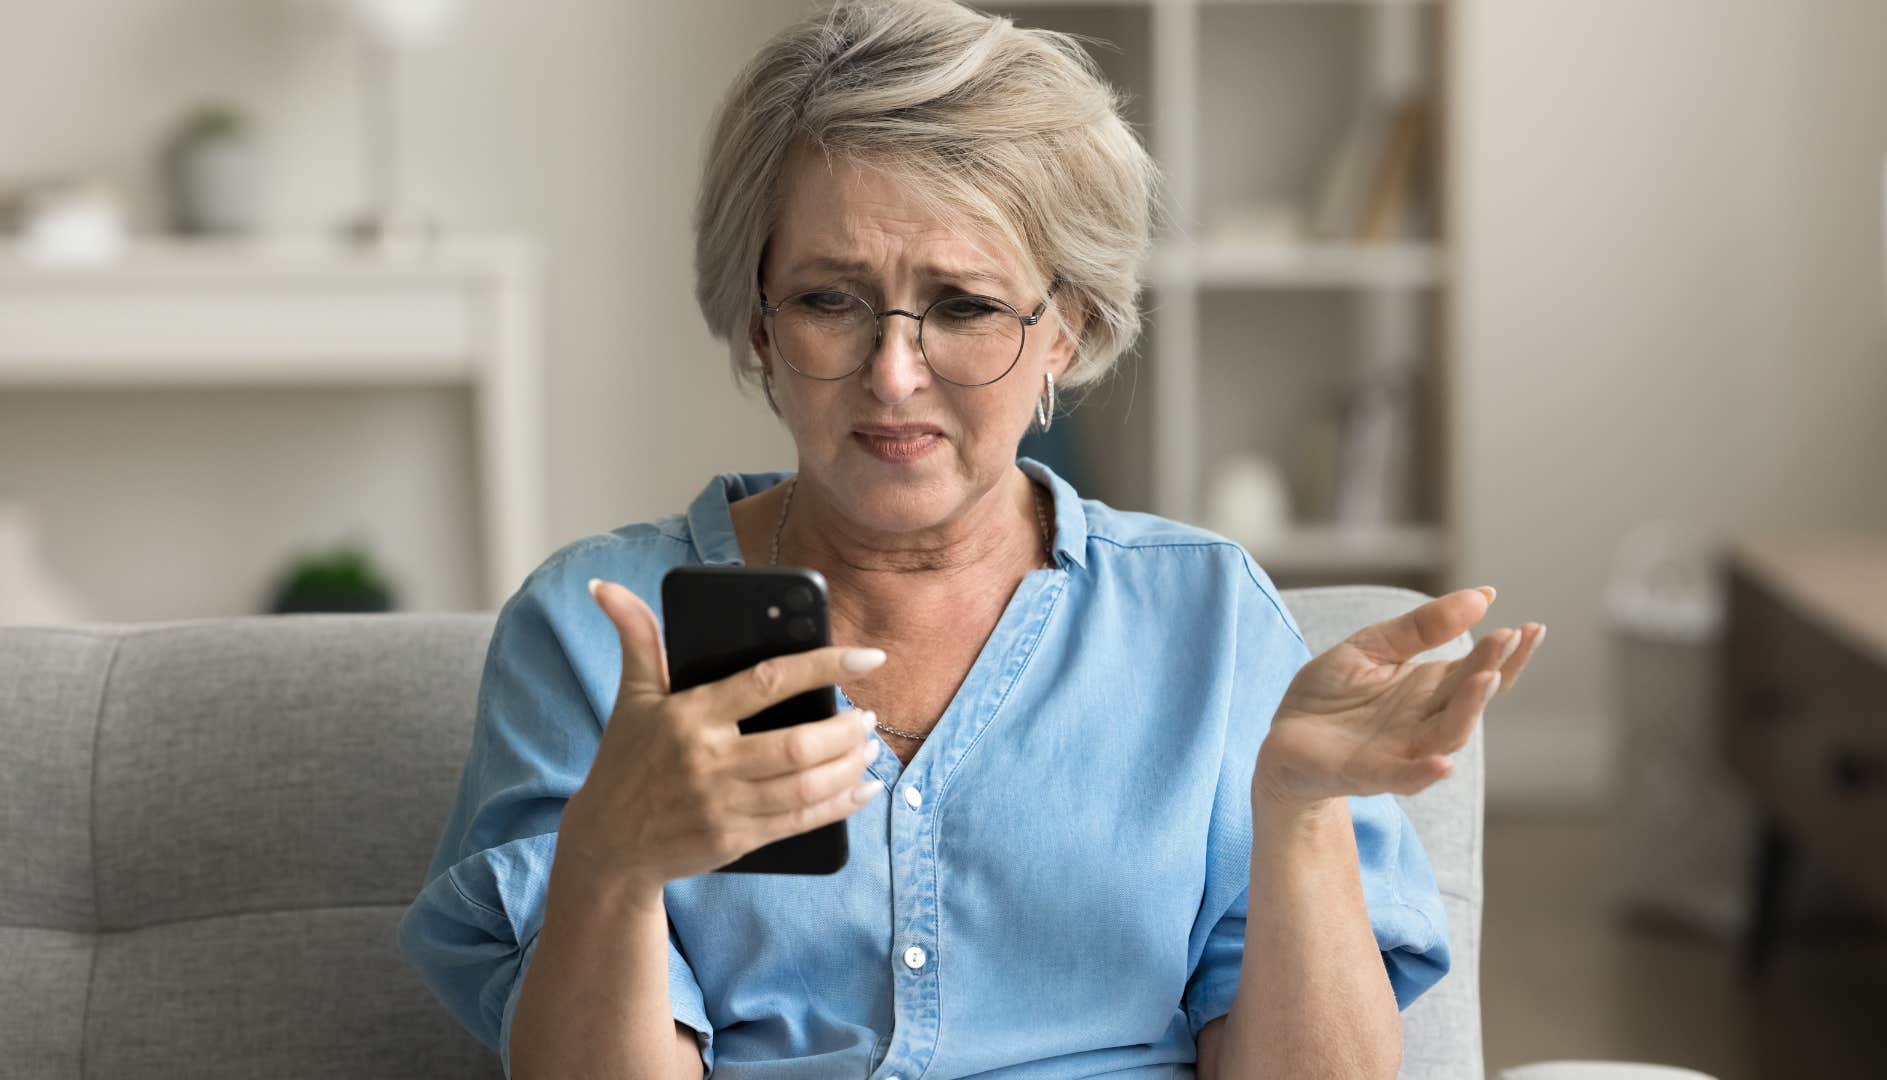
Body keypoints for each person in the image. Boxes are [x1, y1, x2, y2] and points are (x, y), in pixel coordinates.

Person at [398, 1, 1546, 1076]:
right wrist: (612, 861)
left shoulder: (1208, 622)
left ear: (1069, 328)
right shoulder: (595, 631)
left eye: (964, 307)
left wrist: (1296, 814)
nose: (894, 375)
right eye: (829, 300)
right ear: (757, 319)